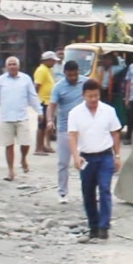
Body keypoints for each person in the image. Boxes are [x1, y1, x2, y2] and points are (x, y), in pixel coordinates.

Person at [62, 79, 122, 242]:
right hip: (87, 158)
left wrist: (117, 156)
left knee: (104, 189)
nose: (93, 99)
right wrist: (75, 156)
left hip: (105, 156)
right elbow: (72, 135)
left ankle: (104, 227)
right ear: (83, 96)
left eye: (96, 96)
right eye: (90, 96)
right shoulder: (75, 113)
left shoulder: (108, 111)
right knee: (88, 192)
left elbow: (116, 133)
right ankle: (93, 226)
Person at [0, 56, 43, 181]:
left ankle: (23, 159)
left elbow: (32, 96)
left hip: (22, 116)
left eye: (14, 64)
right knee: (9, 145)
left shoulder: (26, 79)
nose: (12, 66)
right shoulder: (1, 80)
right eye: (9, 64)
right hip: (6, 117)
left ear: (18, 66)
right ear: (6, 67)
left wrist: (39, 111)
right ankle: (11, 171)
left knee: (25, 142)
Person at [47, 60, 85, 204]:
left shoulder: (85, 83)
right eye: (70, 75)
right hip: (65, 129)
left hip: (83, 129)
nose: (73, 78)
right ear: (64, 74)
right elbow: (51, 106)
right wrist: (50, 120)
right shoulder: (58, 87)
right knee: (63, 162)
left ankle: (87, 190)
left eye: (75, 75)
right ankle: (62, 193)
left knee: (85, 161)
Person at [32, 51, 60, 155]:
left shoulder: (48, 70)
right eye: (52, 60)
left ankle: (43, 145)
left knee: (45, 126)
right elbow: (37, 86)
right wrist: (36, 102)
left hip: (48, 101)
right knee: (41, 125)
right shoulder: (42, 70)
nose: (54, 63)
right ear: (47, 60)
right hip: (43, 101)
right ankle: (38, 148)